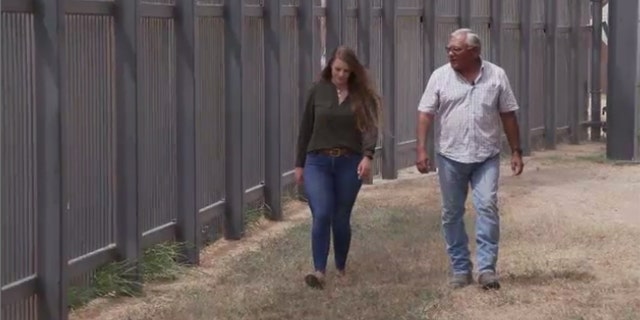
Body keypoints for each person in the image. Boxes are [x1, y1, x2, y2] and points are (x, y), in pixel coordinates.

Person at [415, 28, 524, 290]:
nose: (450, 53)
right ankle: (460, 269)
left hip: (486, 155)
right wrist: (421, 149)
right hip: (450, 156)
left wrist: (516, 151)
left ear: (474, 52)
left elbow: (508, 114)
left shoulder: (496, 76)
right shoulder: (439, 77)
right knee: (452, 212)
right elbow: (425, 114)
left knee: (487, 206)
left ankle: (487, 270)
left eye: (456, 49)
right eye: (449, 49)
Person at [295, 46, 382, 289]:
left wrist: (367, 156)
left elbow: (369, 129)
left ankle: (341, 266)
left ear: (353, 72)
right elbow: (305, 129)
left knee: (341, 217)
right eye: (337, 69)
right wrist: (299, 164)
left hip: (348, 162)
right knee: (321, 213)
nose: (341, 75)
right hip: (317, 161)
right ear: (330, 67)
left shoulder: (361, 95)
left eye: (346, 71)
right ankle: (319, 271)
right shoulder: (317, 91)